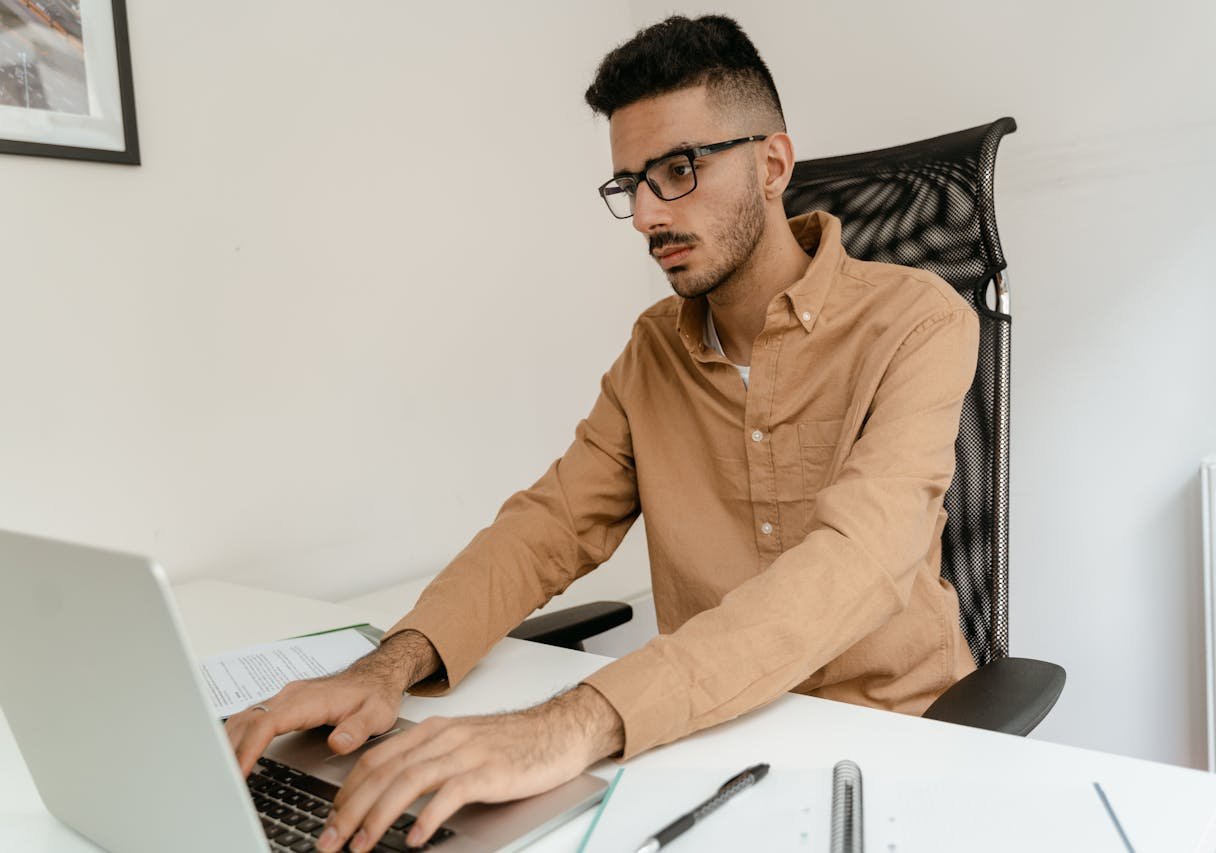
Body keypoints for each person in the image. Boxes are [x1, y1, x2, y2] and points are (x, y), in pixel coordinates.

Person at [225, 14, 980, 853]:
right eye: (631, 184)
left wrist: (570, 723)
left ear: (773, 164)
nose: (646, 214)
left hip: (897, 747)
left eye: (678, 171)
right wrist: (387, 666)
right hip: (707, 740)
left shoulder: (918, 322)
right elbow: (549, 526)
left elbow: (855, 561)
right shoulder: (653, 348)